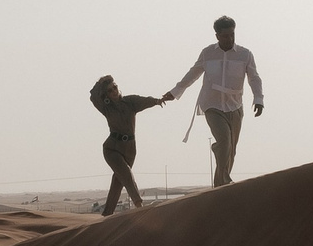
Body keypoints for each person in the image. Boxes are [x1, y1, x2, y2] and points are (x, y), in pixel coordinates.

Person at [163, 15, 263, 187]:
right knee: (224, 143)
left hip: (235, 106)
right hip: (212, 105)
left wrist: (258, 98)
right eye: (225, 35)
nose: (229, 38)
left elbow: (254, 78)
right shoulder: (208, 53)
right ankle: (223, 183)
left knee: (231, 150)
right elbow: (193, 73)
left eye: (232, 34)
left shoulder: (245, 54)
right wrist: (175, 91)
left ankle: (220, 185)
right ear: (217, 36)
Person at [88, 76, 166, 216]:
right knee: (126, 174)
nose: (113, 91)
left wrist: (157, 101)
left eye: (115, 87)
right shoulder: (106, 107)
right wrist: (100, 83)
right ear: (106, 94)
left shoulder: (130, 102)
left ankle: (107, 215)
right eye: (109, 90)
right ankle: (139, 205)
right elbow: (93, 96)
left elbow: (143, 100)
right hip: (112, 148)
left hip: (130, 149)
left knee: (118, 182)